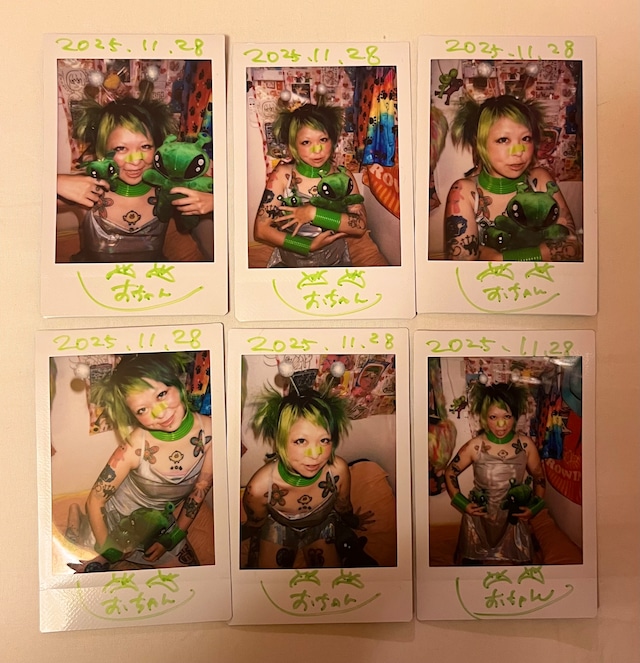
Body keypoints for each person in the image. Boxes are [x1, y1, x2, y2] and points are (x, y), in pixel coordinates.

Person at [75, 353, 213, 571]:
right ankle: (76, 523)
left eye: (162, 394)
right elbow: (95, 500)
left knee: (193, 580)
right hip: (116, 521)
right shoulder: (134, 446)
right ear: (133, 416)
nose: (160, 413)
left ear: (179, 383)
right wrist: (109, 548)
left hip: (158, 523)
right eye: (142, 410)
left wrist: (173, 537)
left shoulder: (211, 432)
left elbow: (200, 490)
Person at [242, 365, 373, 568]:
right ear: (279, 441)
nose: (315, 454)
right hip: (278, 528)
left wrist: (353, 522)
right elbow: (255, 522)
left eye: (324, 440)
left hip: (321, 527)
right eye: (301, 441)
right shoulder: (259, 488)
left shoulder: (338, 471)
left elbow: (343, 507)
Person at [57, 94, 213, 262]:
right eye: (121, 148)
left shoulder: (167, 189)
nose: (136, 160)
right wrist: (56, 182)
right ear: (103, 151)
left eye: (145, 146)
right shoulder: (87, 189)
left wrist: (216, 202)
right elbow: (34, 205)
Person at [443, 94, 581, 261]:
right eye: (503, 140)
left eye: (526, 138)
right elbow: (461, 262)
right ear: (479, 144)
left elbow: (572, 247)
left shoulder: (540, 180)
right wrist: (542, 252)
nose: (518, 151)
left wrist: (498, 258)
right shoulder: (464, 192)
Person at [252, 101, 368, 268]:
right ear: (293, 146)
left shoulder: (343, 176)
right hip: (290, 262)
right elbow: (261, 230)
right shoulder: (282, 175)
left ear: (332, 140)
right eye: (306, 142)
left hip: (334, 261)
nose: (317, 150)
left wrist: (314, 213)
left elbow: (360, 226)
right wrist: (307, 246)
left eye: (323, 139)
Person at [444, 381, 546, 565]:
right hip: (478, 522)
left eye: (507, 416)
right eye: (493, 417)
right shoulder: (475, 445)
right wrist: (463, 503)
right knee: (470, 572)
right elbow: (450, 472)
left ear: (515, 416)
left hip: (513, 521)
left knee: (524, 573)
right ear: (485, 417)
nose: (501, 424)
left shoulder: (525, 445)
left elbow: (539, 478)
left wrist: (535, 507)